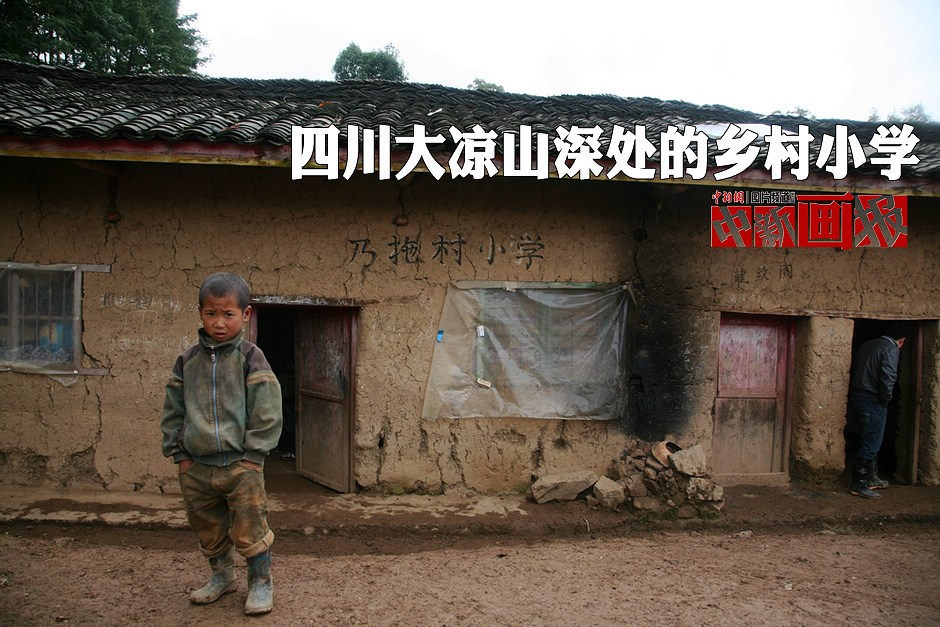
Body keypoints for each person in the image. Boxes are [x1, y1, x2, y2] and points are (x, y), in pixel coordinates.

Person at [160, 272, 282, 614]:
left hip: (241, 467)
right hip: (196, 467)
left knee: (250, 527)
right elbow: (173, 411)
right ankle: (222, 577)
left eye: (228, 314)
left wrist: (253, 456)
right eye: (211, 313)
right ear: (200, 312)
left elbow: (268, 410)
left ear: (245, 314)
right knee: (208, 527)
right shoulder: (187, 362)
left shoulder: (250, 357)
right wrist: (180, 455)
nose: (219, 322)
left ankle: (260, 582)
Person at [846, 324, 907, 499]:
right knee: (872, 443)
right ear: (901, 341)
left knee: (868, 438)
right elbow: (888, 375)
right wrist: (886, 399)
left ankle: (872, 478)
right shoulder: (891, 349)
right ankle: (859, 483)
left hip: (858, 397)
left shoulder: (868, 345)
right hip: (873, 400)